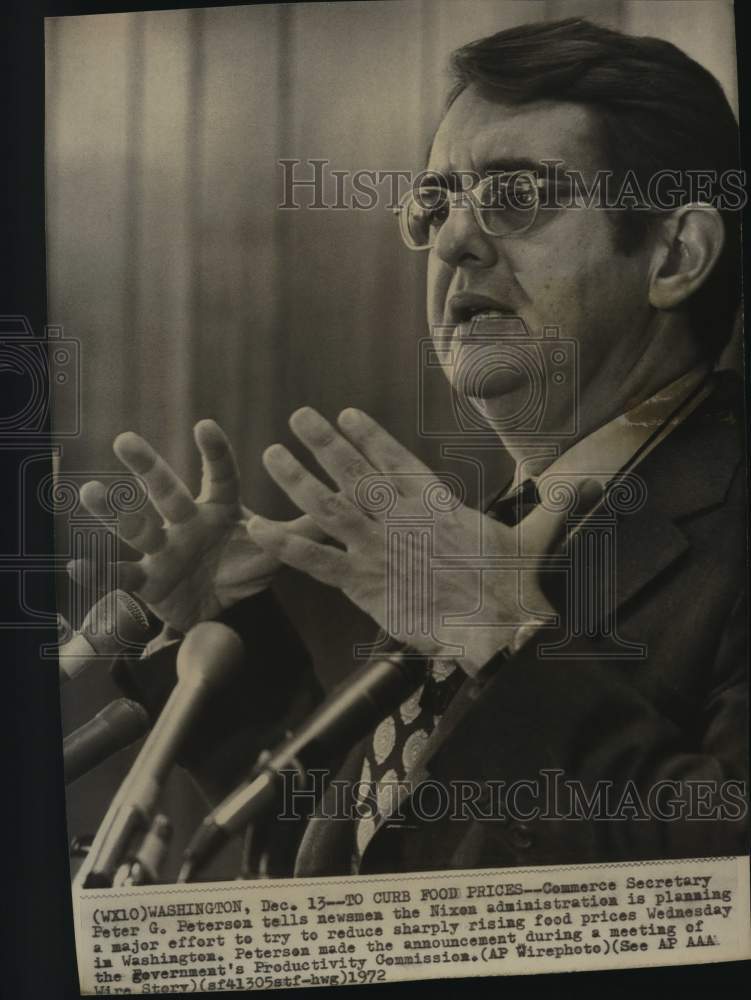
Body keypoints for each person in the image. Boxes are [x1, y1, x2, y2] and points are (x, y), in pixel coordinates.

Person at [71, 18, 747, 879]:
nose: (454, 240)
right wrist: (215, 634)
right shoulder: (487, 539)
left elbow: (726, 871)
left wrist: (502, 640)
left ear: (673, 253)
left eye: (514, 195)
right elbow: (365, 873)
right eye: (434, 204)